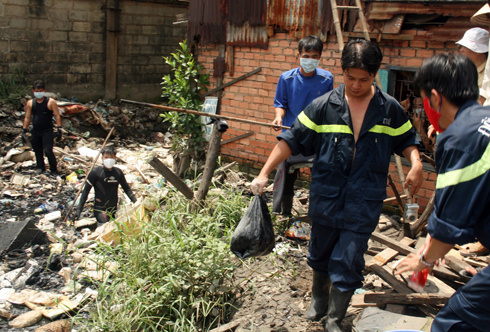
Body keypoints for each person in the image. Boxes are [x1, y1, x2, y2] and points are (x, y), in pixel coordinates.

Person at [251, 39, 423, 331]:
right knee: (320, 250)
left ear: (375, 75)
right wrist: (264, 172)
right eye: (350, 78)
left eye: (364, 79)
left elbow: (407, 141)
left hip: (364, 197)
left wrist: (416, 163)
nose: (356, 85)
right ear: (342, 72)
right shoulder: (323, 106)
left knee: (349, 256)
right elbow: (290, 141)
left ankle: (334, 317)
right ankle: (318, 298)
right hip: (327, 195)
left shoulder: (388, 108)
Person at [394, 53, 490, 332]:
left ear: (435, 98)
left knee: (453, 321)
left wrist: (424, 259)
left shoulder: (459, 137)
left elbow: (450, 223)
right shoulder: (484, 119)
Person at [271, 35, 334, 216]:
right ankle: (282, 214)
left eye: (315, 56)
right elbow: (280, 103)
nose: (310, 60)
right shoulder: (286, 78)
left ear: (320, 58)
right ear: (298, 55)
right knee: (285, 177)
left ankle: (318, 214)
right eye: (306, 56)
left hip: (316, 137)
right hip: (292, 135)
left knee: (321, 176)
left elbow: (328, 107)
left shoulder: (326, 78)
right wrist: (278, 118)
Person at [74, 145, 137, 223]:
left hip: (113, 208)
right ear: (102, 158)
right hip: (100, 209)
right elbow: (85, 191)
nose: (108, 159)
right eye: (106, 157)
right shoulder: (96, 172)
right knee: (107, 225)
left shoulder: (118, 172)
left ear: (115, 158)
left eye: (111, 157)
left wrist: (136, 203)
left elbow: (127, 189)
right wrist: (79, 210)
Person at [22, 80, 62, 175]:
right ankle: (40, 167)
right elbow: (27, 117)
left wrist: (59, 129)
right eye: (37, 91)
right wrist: (24, 130)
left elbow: (57, 116)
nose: (38, 93)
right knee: (37, 150)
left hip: (47, 130)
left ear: (44, 90)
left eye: (40, 91)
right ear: (33, 91)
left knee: (48, 151)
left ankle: (53, 169)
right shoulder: (31, 103)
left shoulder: (50, 102)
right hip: (35, 130)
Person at [456, 27, 488, 105]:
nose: (461, 50)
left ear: (478, 51)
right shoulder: (464, 71)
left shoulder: (487, 73)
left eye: (465, 47)